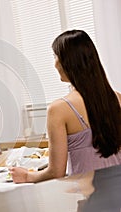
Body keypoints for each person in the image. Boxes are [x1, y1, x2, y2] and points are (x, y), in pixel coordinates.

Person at [9, 29, 121, 183]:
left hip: (90, 198)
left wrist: (27, 176)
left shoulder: (59, 109)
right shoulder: (118, 99)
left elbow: (56, 172)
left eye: (55, 57)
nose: (54, 63)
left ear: (68, 61)